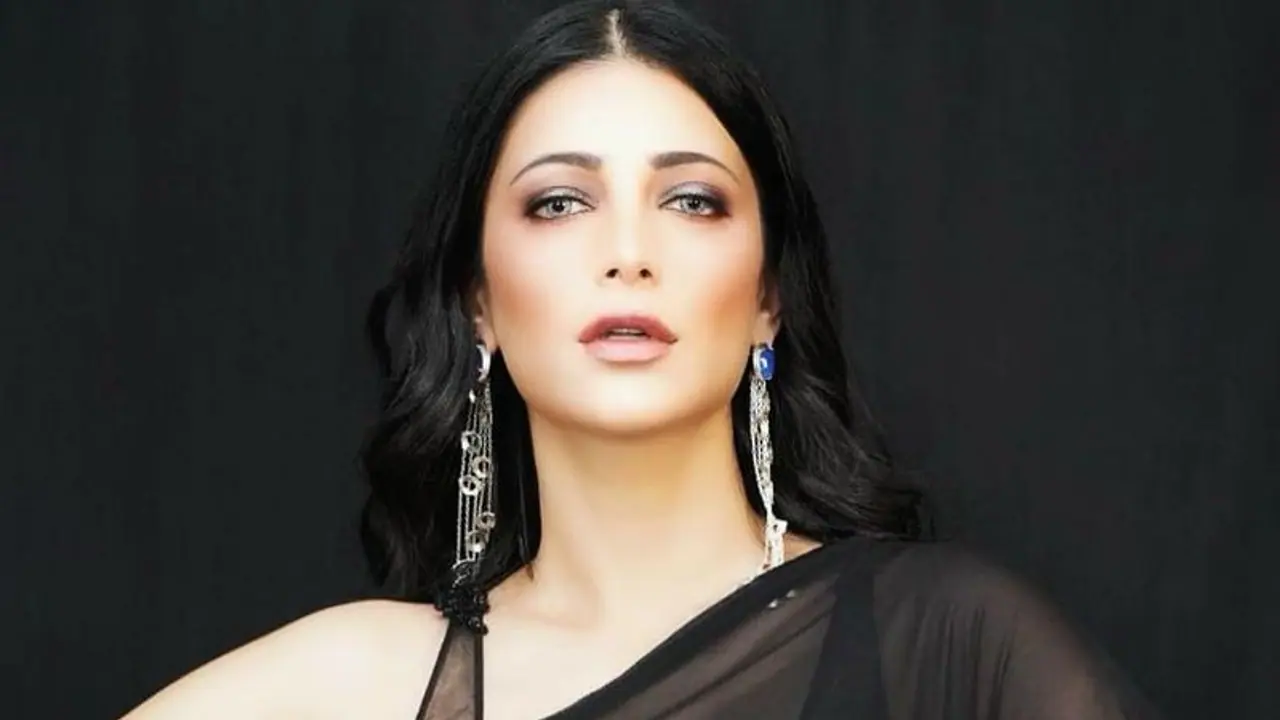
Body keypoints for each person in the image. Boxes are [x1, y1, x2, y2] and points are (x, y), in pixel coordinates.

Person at [123, 1, 1161, 718]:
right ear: (478, 300)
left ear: (768, 298)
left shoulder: (945, 644)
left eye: (691, 200)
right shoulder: (360, 681)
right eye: (558, 202)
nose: (628, 252)